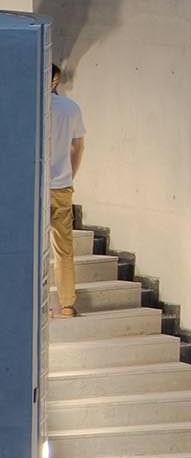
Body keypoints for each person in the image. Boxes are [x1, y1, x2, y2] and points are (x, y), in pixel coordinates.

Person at [48, 63, 85, 319]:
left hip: (31, 189)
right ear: (56, 81)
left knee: (34, 246)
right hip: (60, 185)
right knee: (63, 247)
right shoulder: (70, 108)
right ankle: (67, 304)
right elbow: (78, 146)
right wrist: (70, 174)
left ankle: (41, 304)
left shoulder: (25, 105)